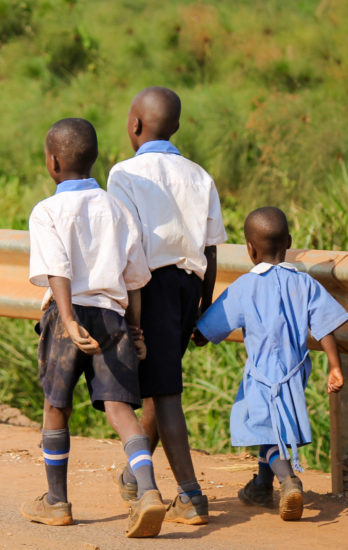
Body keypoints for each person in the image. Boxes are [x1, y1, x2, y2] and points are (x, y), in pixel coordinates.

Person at [21, 118, 166, 538]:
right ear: (94, 157)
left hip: (69, 316)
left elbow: (57, 271)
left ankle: (56, 502)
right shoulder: (117, 209)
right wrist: (134, 330)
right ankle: (149, 491)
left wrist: (66, 319)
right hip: (112, 315)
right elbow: (135, 279)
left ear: (53, 162)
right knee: (121, 411)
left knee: (56, 407)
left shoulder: (46, 212)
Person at [107, 86, 227, 525]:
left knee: (167, 393)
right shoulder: (199, 174)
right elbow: (212, 249)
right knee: (162, 382)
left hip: (149, 287)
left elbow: (126, 245)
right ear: (174, 127)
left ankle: (191, 495)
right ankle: (132, 477)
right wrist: (204, 307)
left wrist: (126, 308)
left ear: (135, 125)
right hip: (188, 287)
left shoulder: (124, 173)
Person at [193, 206, 348, 521]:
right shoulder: (304, 284)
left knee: (259, 428)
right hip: (295, 373)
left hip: (261, 375)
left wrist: (196, 332)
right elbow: (325, 327)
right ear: (289, 242)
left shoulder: (243, 287)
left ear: (249, 250)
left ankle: (288, 479)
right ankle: (261, 487)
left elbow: (209, 328)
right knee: (271, 425)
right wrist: (334, 366)